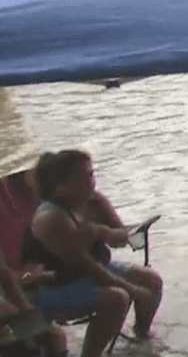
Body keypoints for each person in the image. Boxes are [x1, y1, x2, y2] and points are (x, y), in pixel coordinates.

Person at [22, 151, 163, 357]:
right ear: (62, 186)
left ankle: (141, 339)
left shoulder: (92, 201)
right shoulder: (52, 218)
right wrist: (130, 288)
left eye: (92, 174)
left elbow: (120, 239)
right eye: (85, 177)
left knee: (151, 280)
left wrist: (102, 229)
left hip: (88, 273)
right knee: (118, 297)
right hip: (51, 286)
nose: (93, 183)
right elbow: (87, 265)